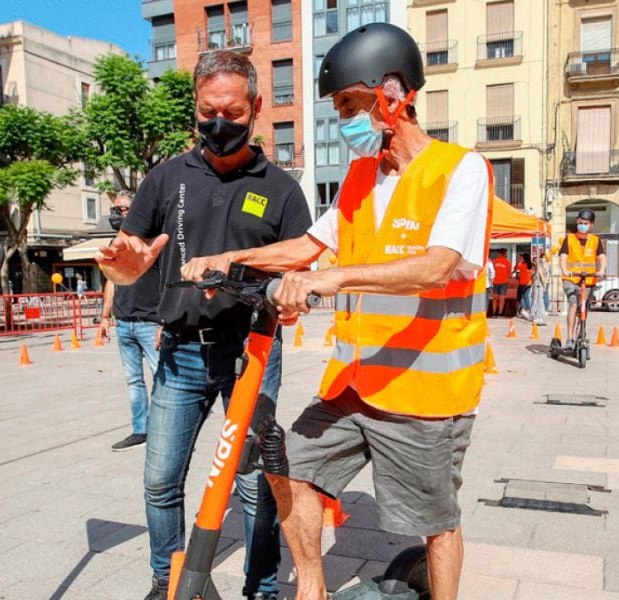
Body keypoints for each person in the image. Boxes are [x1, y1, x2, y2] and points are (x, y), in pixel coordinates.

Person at [181, 23, 491, 600]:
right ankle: (313, 590)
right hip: (352, 384)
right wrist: (228, 256)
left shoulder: (460, 170)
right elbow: (307, 248)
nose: (344, 119)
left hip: (426, 396)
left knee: (436, 523)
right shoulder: (359, 180)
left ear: (395, 94)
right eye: (338, 107)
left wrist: (331, 278)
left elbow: (438, 265)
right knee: (286, 463)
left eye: (352, 103)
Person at [96, 50, 311, 600]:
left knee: (253, 483)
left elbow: (303, 265)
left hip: (252, 353)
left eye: (233, 114)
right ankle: (170, 583)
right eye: (207, 112)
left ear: (256, 109)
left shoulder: (283, 188)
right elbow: (136, 251)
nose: (218, 124)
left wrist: (283, 292)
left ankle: (261, 588)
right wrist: (127, 269)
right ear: (195, 108)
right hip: (181, 352)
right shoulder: (166, 178)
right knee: (161, 480)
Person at [99, 191, 162, 451]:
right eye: (117, 210)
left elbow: (170, 283)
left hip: (150, 322)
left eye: (125, 209)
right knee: (133, 380)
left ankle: (164, 428)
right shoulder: (116, 243)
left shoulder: (153, 243)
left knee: (163, 378)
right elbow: (111, 280)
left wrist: (165, 321)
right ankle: (141, 429)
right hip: (124, 323)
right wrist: (105, 317)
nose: (120, 214)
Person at [559, 208, 607, 348]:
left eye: (585, 223)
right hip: (571, 279)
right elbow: (563, 258)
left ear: (591, 225)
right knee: (574, 305)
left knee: (584, 309)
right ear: (577, 222)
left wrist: (601, 270)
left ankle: (580, 335)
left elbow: (602, 258)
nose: (582, 225)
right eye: (580, 222)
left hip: (589, 280)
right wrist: (565, 270)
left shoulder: (595, 241)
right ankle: (570, 338)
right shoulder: (569, 239)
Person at [491, 248, 511, 317]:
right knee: (499, 298)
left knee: (496, 298)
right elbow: (509, 273)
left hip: (501, 282)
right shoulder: (495, 261)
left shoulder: (506, 262)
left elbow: (509, 273)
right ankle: (498, 313)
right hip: (499, 282)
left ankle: (496, 313)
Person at [514, 251, 532, 318]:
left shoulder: (523, 264)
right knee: (526, 296)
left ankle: (524, 309)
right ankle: (528, 310)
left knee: (519, 297)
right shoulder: (530, 264)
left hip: (523, 283)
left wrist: (520, 261)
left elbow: (516, 267)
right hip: (529, 283)